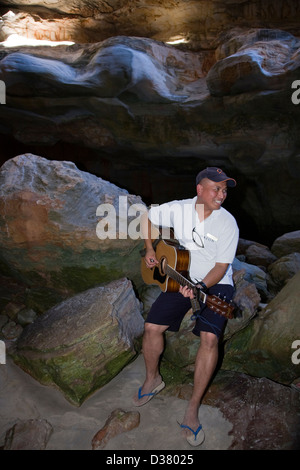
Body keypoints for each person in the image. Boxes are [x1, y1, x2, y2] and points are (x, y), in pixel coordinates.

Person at [133, 167, 239, 447]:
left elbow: (220, 267)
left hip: (215, 285)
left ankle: (192, 407)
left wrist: (200, 288)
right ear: (200, 190)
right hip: (181, 272)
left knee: (210, 338)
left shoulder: (228, 223)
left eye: (225, 189)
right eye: (216, 188)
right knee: (151, 327)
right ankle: (153, 379)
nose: (222, 194)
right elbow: (146, 217)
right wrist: (150, 249)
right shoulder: (179, 209)